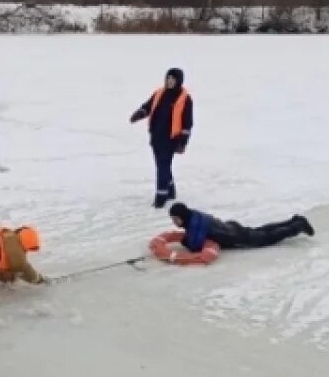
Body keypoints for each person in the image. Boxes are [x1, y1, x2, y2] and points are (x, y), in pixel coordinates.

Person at [130, 68, 193, 208]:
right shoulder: (159, 93)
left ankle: (161, 197)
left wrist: (183, 142)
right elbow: (148, 107)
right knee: (162, 165)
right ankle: (170, 190)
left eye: (172, 79)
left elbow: (187, 123)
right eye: (168, 78)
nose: (169, 81)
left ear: (178, 81)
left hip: (171, 139)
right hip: (156, 136)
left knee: (162, 167)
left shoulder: (185, 98)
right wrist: (139, 114)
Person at [168, 202, 315, 252]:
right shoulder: (194, 215)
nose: (174, 222)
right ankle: (293, 221)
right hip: (231, 227)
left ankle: (297, 226)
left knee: (269, 237)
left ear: (181, 217)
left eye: (174, 219)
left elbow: (195, 246)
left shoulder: (195, 224)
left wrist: (184, 241)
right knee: (262, 230)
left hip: (235, 237)